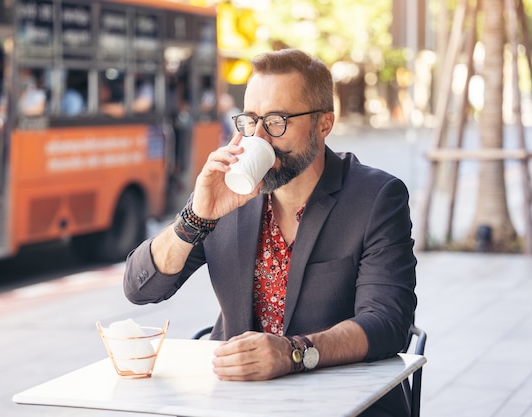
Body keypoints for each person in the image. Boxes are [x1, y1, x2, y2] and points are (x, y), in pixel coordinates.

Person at [123, 48, 417, 417]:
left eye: (277, 121)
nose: (258, 137)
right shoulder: (229, 194)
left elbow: (388, 322)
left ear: (324, 124)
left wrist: (294, 353)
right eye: (249, 121)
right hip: (240, 404)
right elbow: (140, 288)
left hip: (346, 403)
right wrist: (196, 217)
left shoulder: (376, 197)